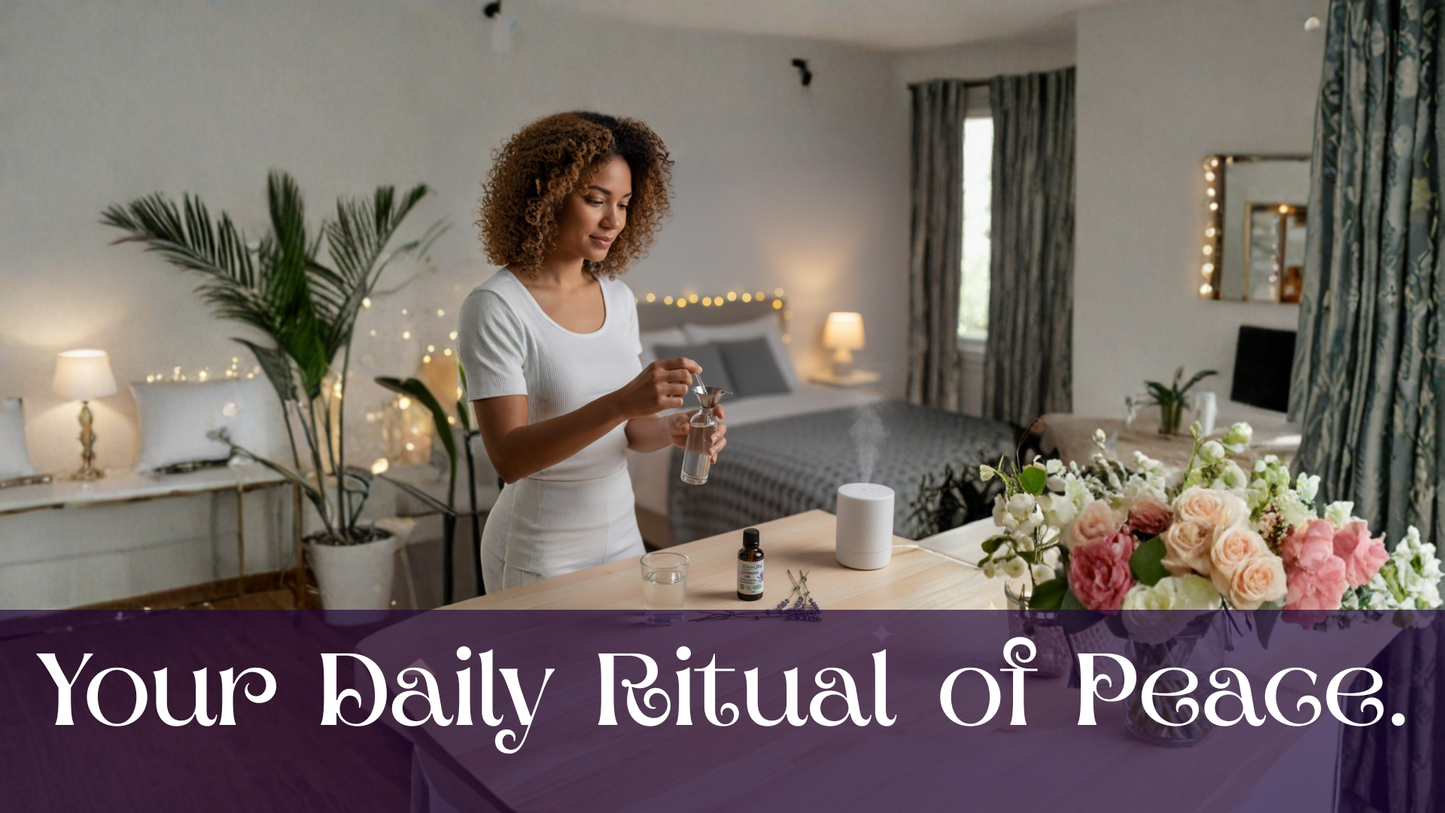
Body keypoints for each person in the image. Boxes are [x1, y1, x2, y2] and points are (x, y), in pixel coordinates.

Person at [458, 111, 726, 594]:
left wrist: (672, 429)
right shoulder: (496, 306)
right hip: (539, 550)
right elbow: (509, 458)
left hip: (624, 539)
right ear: (546, 194)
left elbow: (627, 433)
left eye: (624, 204)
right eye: (595, 200)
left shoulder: (618, 298)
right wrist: (623, 401)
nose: (614, 221)